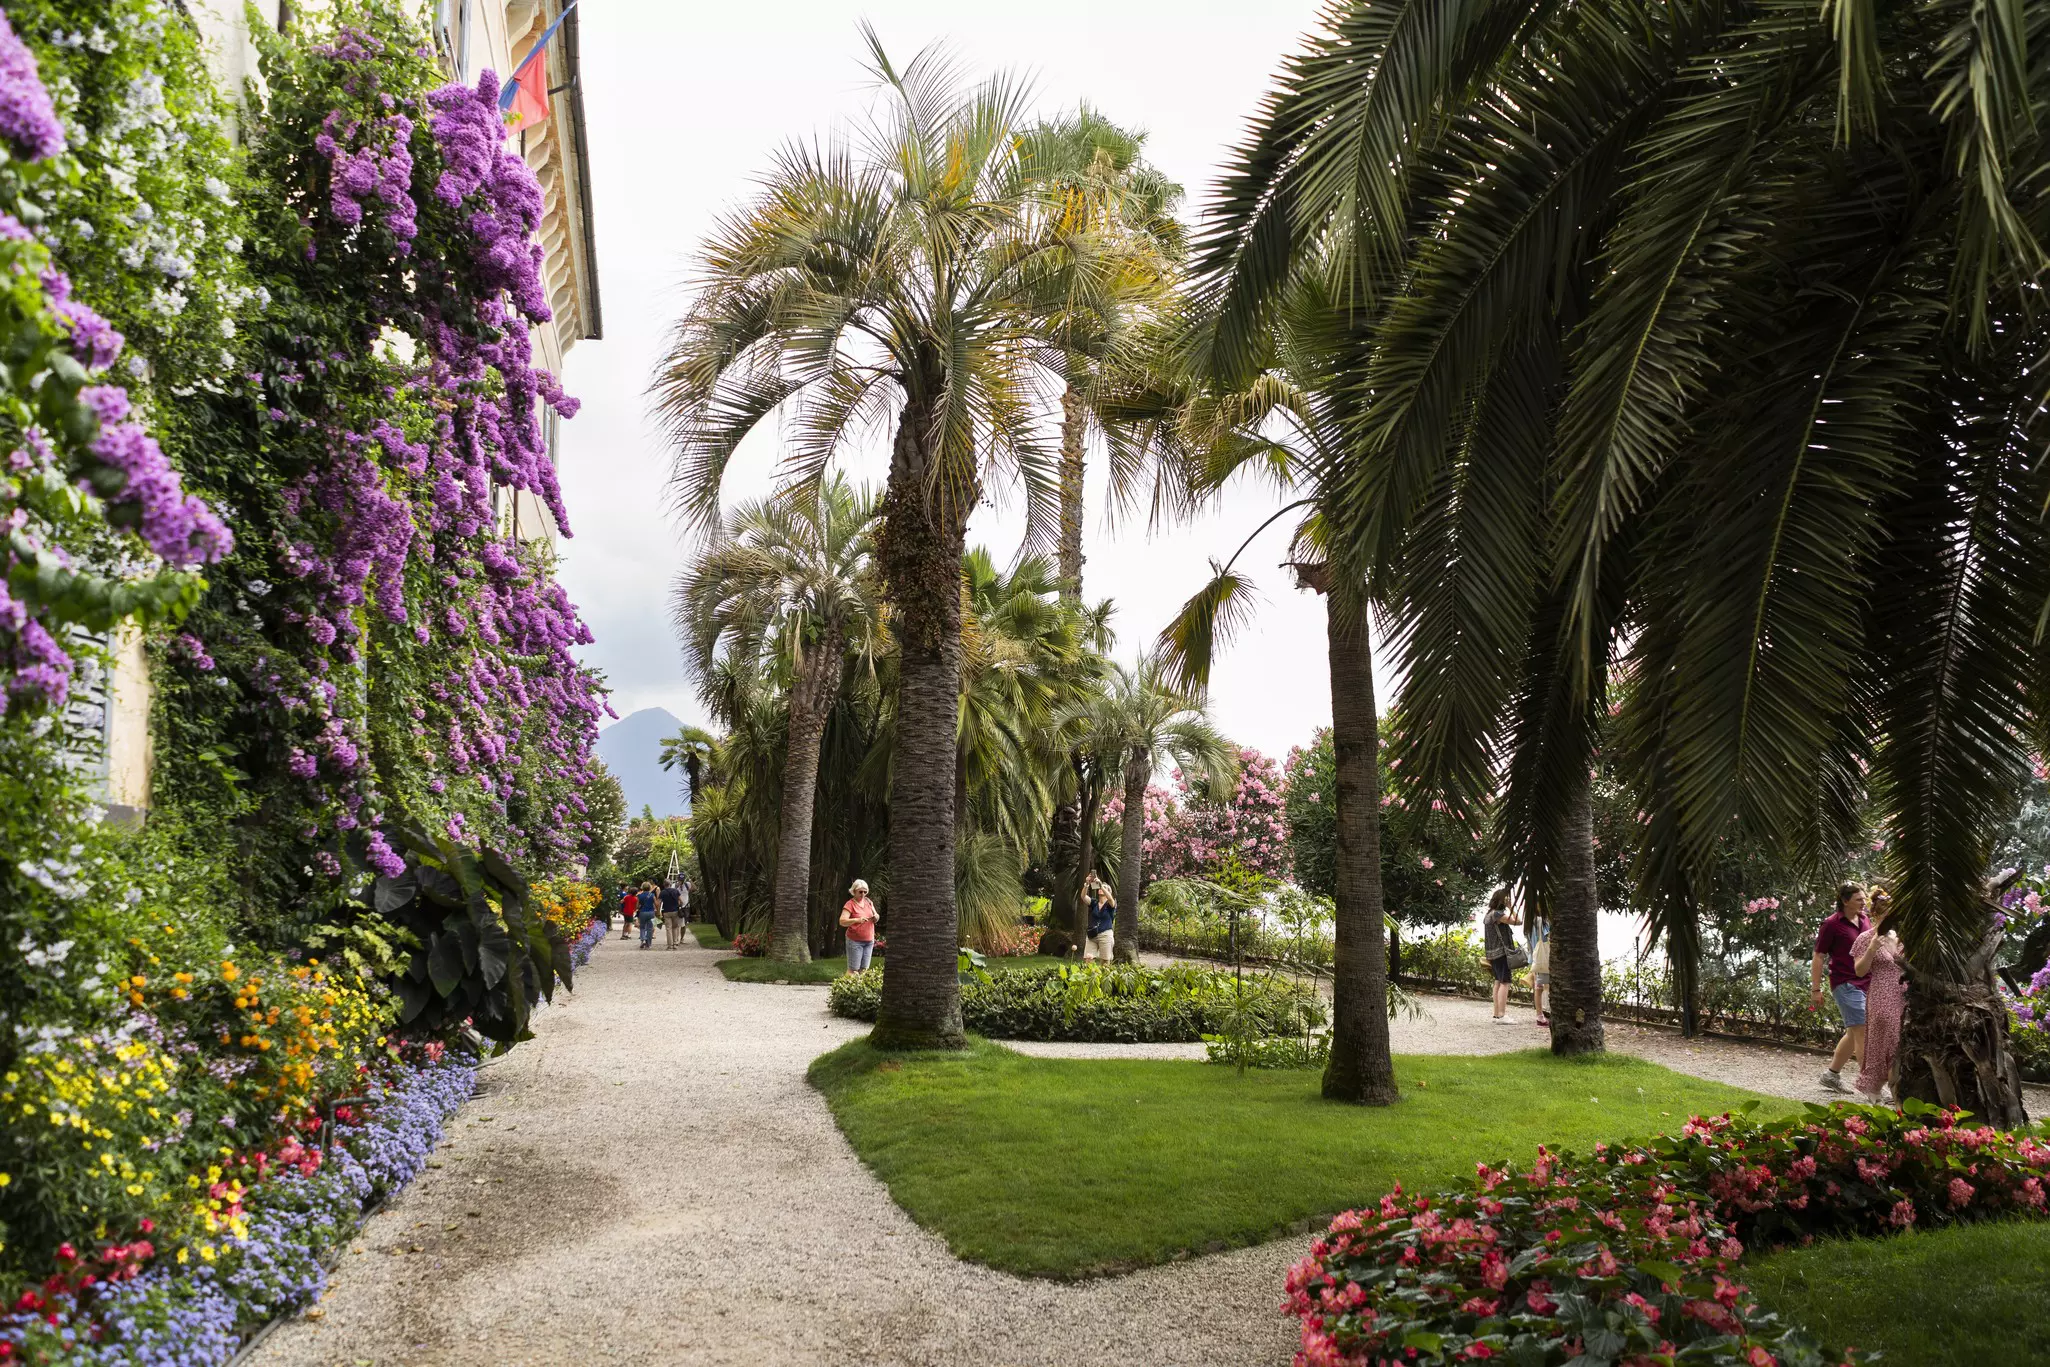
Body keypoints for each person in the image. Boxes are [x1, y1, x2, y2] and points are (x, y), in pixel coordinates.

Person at [1812, 881, 1872, 1092]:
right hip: (1845, 984)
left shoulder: (1865, 920)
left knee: (1853, 1033)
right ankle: (1871, 1085)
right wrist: (1816, 989)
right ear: (1845, 901)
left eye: (1864, 899)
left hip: (1866, 982)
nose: (1864, 902)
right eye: (1859, 899)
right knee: (1863, 1032)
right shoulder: (1831, 924)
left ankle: (1831, 1075)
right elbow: (1818, 956)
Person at [1852, 891, 1906, 1103]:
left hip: (1906, 995)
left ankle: (1897, 1095)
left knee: (1900, 1043)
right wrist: (1872, 950)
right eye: (1885, 916)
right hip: (1882, 995)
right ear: (1875, 915)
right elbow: (1859, 971)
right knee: (1889, 1044)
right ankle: (1896, 1097)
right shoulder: (1865, 939)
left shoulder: (1904, 938)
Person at [1483, 887, 1520, 1023]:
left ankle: (1496, 1014)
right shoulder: (1498, 914)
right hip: (1501, 953)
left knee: (1498, 982)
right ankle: (1502, 1015)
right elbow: (1518, 921)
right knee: (1505, 982)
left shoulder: (1489, 914)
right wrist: (1511, 907)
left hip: (1492, 953)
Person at [840, 879, 878, 973]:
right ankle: (846, 987)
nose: (863, 894)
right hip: (855, 941)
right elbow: (842, 921)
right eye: (860, 892)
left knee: (864, 969)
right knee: (853, 970)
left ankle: (859, 988)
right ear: (854, 891)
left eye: (865, 892)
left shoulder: (868, 902)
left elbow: (876, 915)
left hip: (869, 941)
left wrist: (876, 917)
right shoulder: (850, 904)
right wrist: (857, 920)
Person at [1082, 873, 1116, 962]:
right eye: (1100, 887)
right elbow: (1083, 897)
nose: (1101, 888)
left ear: (1108, 892)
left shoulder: (1110, 904)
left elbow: (1111, 899)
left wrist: (1101, 885)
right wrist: (1087, 884)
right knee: (1088, 960)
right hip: (1092, 935)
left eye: (1105, 888)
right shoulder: (1094, 902)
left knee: (1105, 961)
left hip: (1105, 934)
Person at [1526, 911, 1551, 1027]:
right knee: (1544, 986)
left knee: (1538, 986)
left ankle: (1540, 1015)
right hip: (1545, 956)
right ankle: (1544, 1014)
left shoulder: (1529, 920)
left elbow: (1529, 940)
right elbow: (1548, 936)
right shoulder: (1542, 920)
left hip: (1535, 956)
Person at [660, 880, 685, 949]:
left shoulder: (662, 892)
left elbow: (659, 902)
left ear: (664, 884)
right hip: (675, 911)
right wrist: (679, 905)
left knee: (668, 929)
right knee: (675, 928)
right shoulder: (675, 891)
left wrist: (658, 912)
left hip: (666, 911)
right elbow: (681, 902)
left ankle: (669, 945)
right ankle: (675, 944)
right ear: (670, 884)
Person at [636, 881, 658, 950]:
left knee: (642, 927)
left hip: (642, 913)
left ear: (642, 887)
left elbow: (637, 906)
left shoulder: (639, 896)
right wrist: (658, 911)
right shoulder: (652, 895)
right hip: (651, 913)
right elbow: (656, 904)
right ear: (649, 887)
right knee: (650, 929)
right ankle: (648, 944)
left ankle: (642, 941)